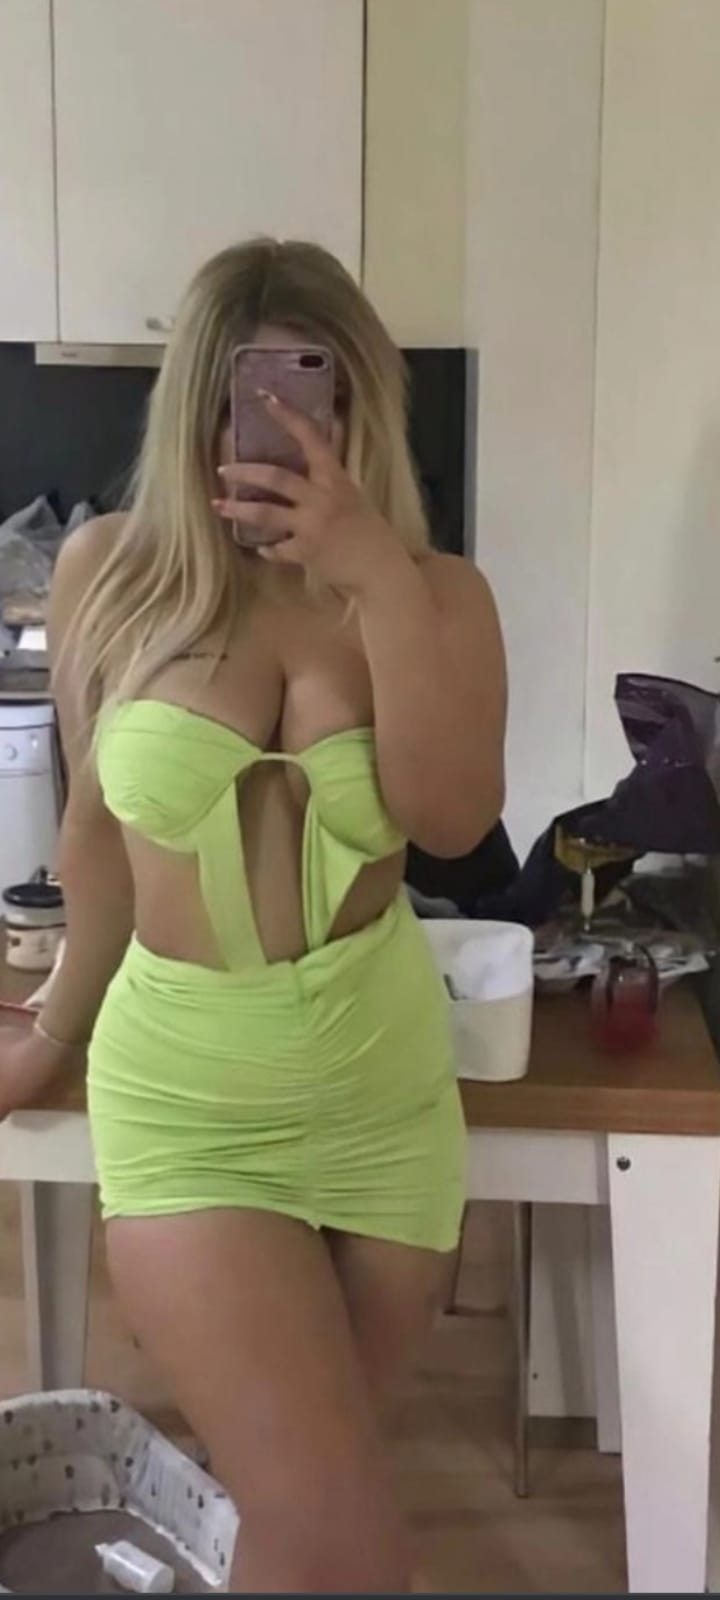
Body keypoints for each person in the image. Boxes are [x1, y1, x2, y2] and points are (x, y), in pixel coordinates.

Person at [0, 240, 506, 1593]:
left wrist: (378, 578)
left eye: (308, 394)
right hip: (191, 1102)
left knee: (293, 1518)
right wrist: (53, 1028)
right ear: (194, 406)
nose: (276, 429)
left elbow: (453, 820)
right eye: (244, 397)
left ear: (361, 405)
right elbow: (97, 842)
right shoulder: (108, 572)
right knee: (348, 1541)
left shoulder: (439, 596)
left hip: (382, 1100)